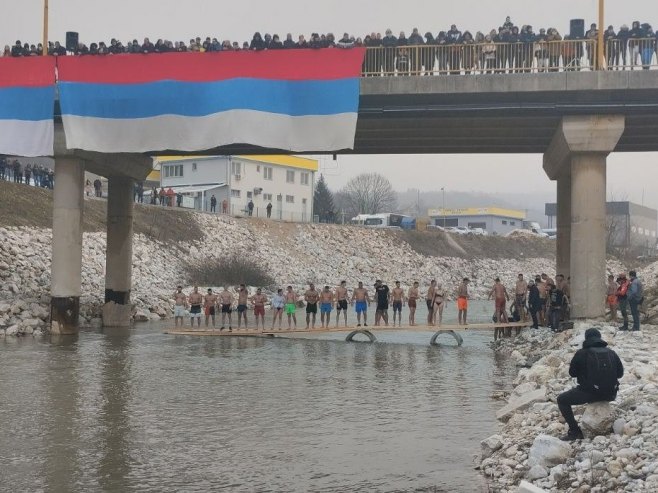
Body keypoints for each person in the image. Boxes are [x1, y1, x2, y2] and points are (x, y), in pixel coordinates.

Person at [557, 328, 623, 441]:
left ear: (587, 338)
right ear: (599, 337)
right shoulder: (611, 352)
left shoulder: (581, 353)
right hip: (611, 394)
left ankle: (574, 431)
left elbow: (572, 373)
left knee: (562, 400)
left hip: (589, 393)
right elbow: (620, 374)